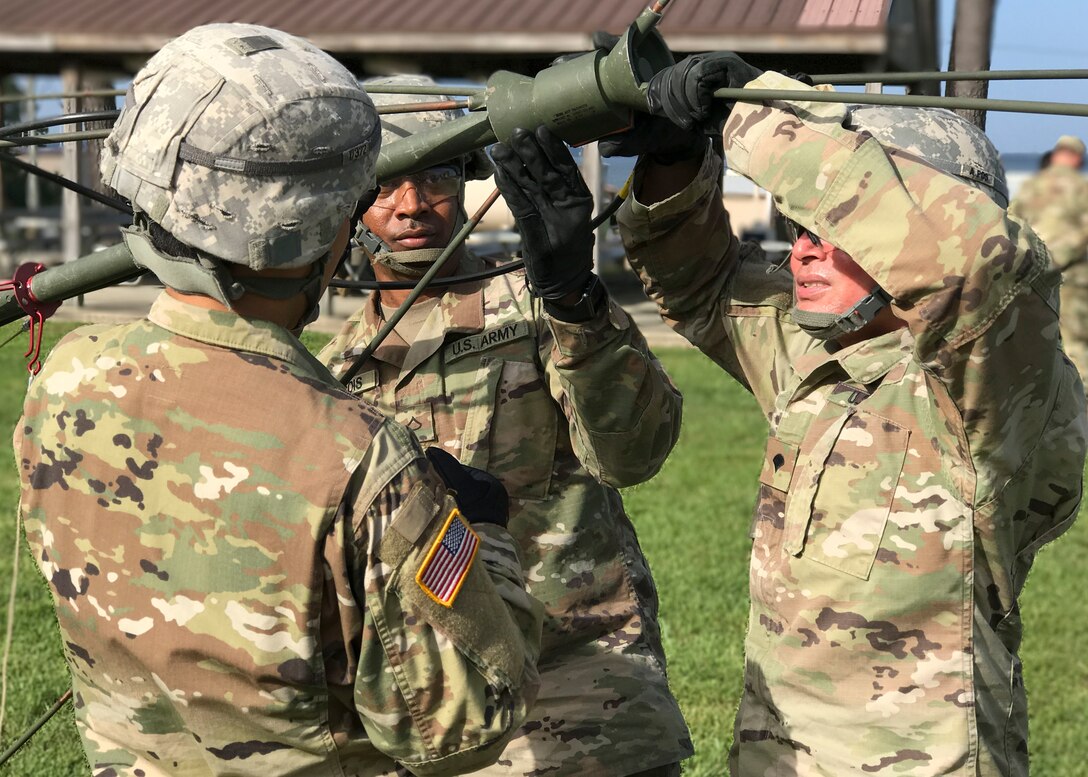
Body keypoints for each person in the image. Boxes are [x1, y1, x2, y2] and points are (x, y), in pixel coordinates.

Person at [14, 25, 542, 776]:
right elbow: (463, 723)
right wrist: (481, 532)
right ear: (326, 231)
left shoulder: (67, 378)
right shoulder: (357, 453)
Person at [610, 54, 1087, 775]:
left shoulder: (986, 385)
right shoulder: (813, 355)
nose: (805, 248)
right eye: (798, 224)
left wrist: (750, 114)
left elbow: (974, 264)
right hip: (778, 756)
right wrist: (674, 154)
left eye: (840, 227)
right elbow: (699, 281)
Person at [319, 76, 692, 777]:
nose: (410, 205)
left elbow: (636, 449)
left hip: (584, 702)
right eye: (383, 184)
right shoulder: (340, 368)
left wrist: (573, 294)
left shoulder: (534, 303)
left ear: (462, 178)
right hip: (438, 715)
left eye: (431, 174)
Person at [1010, 135, 1088, 379]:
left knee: (1033, 337)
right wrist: (1060, 258)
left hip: (1034, 272)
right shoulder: (1081, 188)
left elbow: (1011, 222)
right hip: (1070, 276)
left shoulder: (1031, 186)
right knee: (1076, 343)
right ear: (1077, 158)